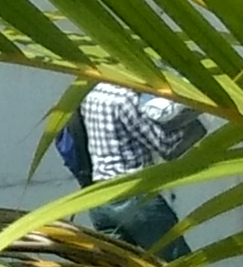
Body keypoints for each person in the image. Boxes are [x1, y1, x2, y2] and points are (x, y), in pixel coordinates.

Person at [73, 78, 208, 256]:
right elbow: (165, 145)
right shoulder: (125, 97)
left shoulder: (91, 93)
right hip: (133, 196)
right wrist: (197, 118)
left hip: (100, 198)